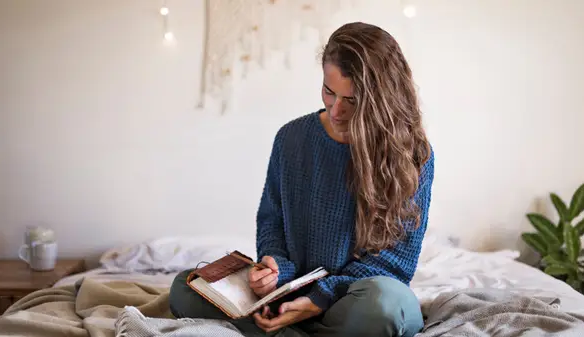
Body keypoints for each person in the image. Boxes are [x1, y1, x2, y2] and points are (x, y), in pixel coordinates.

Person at [169, 21, 434, 337]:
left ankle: (284, 331)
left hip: (350, 300)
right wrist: (273, 268)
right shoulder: (290, 138)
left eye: (351, 100)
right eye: (328, 91)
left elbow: (394, 265)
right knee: (185, 287)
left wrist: (319, 299)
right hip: (289, 297)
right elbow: (271, 222)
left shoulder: (411, 154)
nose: (336, 111)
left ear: (382, 100)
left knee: (389, 305)